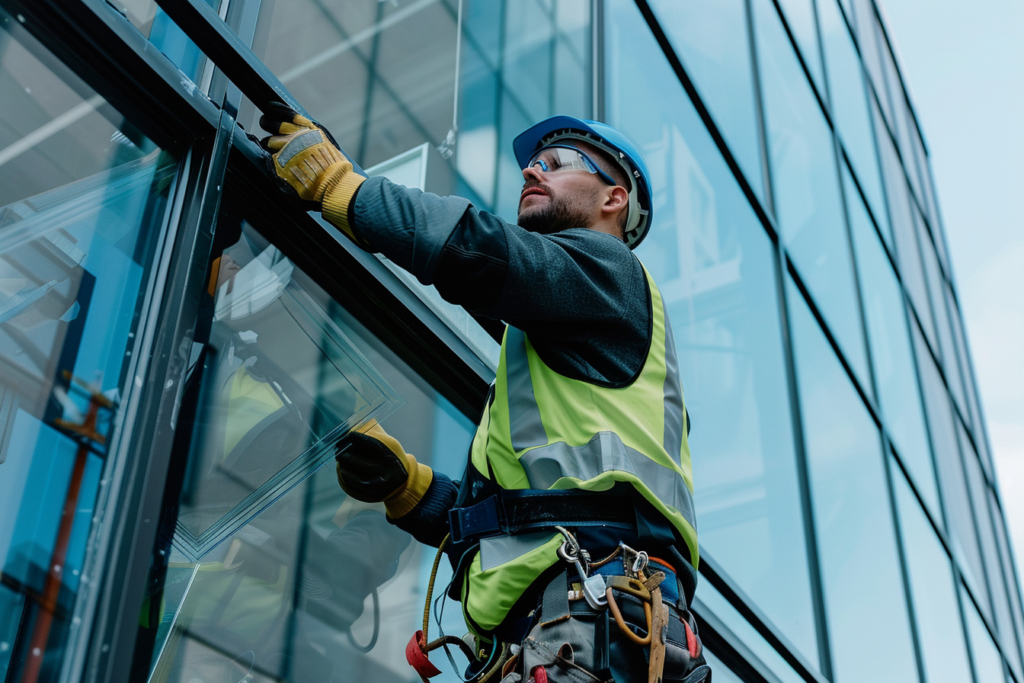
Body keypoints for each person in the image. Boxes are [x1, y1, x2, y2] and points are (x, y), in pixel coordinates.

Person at [259, 104, 710, 683]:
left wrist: (341, 188)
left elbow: (479, 252)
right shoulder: (558, 354)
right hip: (567, 628)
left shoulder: (610, 272)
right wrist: (415, 493)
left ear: (613, 199)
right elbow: (537, 520)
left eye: (557, 162)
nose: (531, 172)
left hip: (589, 618)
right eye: (532, 164)